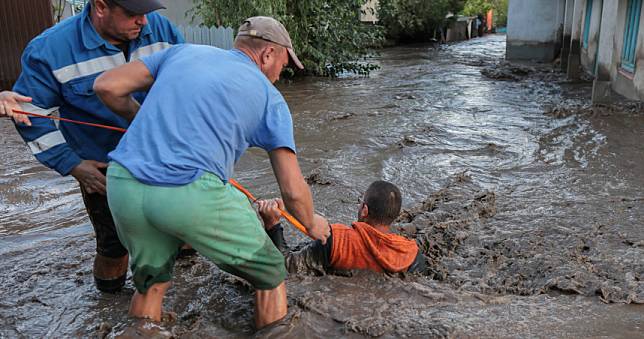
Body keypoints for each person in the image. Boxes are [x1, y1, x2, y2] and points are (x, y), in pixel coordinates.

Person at [93, 16, 330, 328]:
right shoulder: (270, 98)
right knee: (271, 272)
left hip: (123, 183)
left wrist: (140, 119)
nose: (279, 74)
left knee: (151, 284)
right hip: (187, 192)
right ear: (268, 54)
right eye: (283, 65)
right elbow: (292, 189)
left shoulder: (182, 52)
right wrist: (312, 223)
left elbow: (107, 86)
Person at [0, 0, 184, 293]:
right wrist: (73, 165)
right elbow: (32, 117)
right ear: (100, 6)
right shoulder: (50, 49)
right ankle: (108, 305)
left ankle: (184, 280)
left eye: (147, 13)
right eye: (134, 14)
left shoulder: (163, 30)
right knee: (114, 248)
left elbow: (187, 85)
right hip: (103, 169)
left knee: (183, 229)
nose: (145, 22)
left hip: (167, 158)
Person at [257, 181, 426, 275]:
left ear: (365, 210)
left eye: (361, 203)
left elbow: (287, 268)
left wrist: (272, 225)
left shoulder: (337, 240)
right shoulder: (412, 254)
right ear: (394, 215)